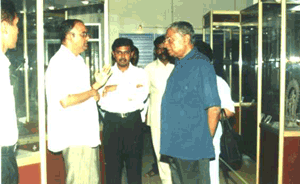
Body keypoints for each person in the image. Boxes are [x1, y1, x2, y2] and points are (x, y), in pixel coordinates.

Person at [45, 19, 111, 184]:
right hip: (75, 137)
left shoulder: (78, 60)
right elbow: (65, 100)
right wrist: (91, 92)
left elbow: (80, 94)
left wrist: (97, 85)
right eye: (83, 34)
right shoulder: (59, 62)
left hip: (85, 134)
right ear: (69, 36)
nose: (87, 38)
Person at [162, 21, 221, 184]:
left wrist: (202, 142)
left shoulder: (200, 64)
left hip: (192, 148)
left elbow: (214, 108)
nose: (166, 44)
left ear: (186, 38)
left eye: (169, 39)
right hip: (176, 146)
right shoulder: (180, 64)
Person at [98, 38, 149, 184]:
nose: (122, 56)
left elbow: (141, 95)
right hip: (112, 122)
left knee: (134, 167)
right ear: (114, 54)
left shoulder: (141, 73)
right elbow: (102, 101)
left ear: (131, 53)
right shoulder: (105, 74)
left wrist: (114, 88)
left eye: (126, 52)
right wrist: (131, 88)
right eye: (119, 52)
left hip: (133, 122)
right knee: (112, 168)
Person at [195, 41, 235, 184]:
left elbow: (229, 111)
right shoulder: (184, 81)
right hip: (186, 138)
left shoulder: (218, 82)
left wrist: (210, 114)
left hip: (210, 138)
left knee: (210, 175)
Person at [144, 35, 174, 184]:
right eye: (159, 48)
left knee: (176, 152)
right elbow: (143, 93)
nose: (162, 51)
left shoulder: (179, 66)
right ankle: (166, 181)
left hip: (177, 118)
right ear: (155, 51)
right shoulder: (148, 69)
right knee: (160, 152)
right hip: (156, 118)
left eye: (165, 47)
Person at [0, 1, 19, 183]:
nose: (18, 30)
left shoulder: (4, 63)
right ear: (5, 26)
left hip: (6, 157)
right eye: (16, 24)